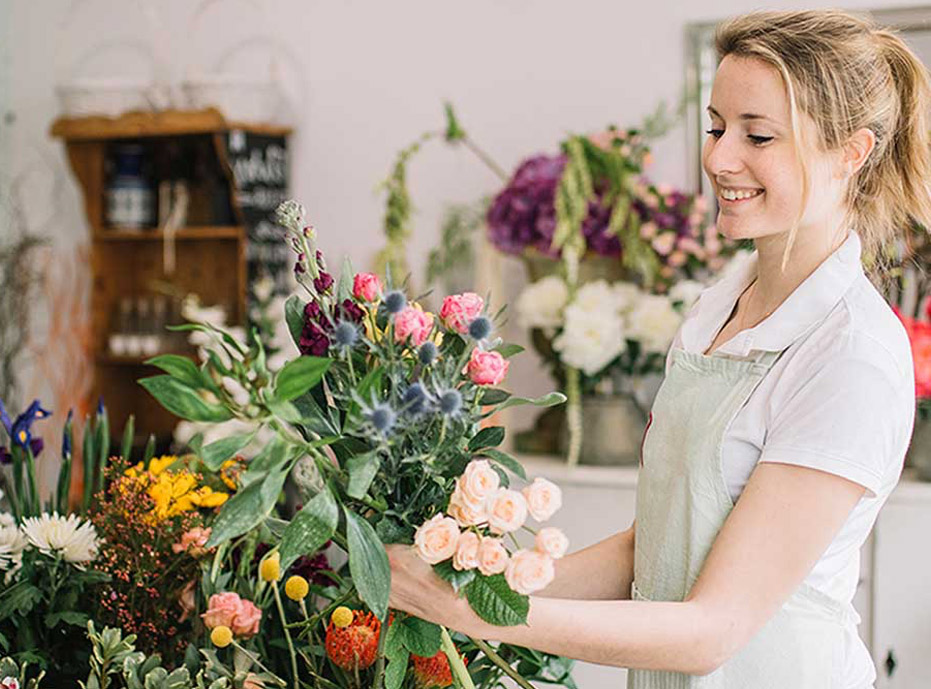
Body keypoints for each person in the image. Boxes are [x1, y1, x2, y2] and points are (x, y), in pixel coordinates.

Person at [387, 9, 929, 687]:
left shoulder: (851, 356)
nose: (718, 157)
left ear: (851, 152)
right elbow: (654, 546)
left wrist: (480, 613)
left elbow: (712, 629)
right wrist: (472, 577)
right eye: (715, 127)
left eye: (756, 135)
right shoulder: (716, 307)